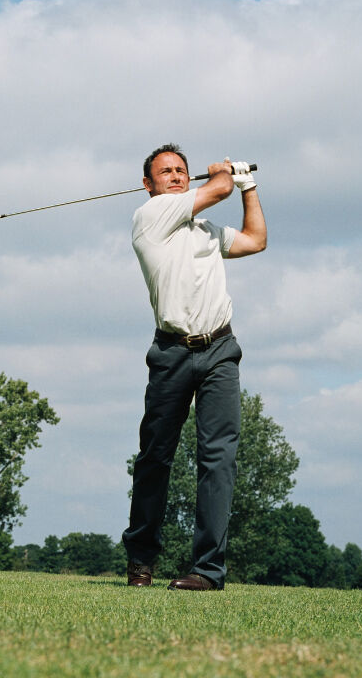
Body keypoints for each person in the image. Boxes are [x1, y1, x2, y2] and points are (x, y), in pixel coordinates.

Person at [123, 144, 266, 590]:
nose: (177, 176)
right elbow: (216, 187)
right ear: (149, 185)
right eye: (166, 172)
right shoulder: (150, 217)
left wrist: (249, 187)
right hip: (171, 352)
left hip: (220, 349)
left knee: (217, 459)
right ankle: (142, 559)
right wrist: (223, 174)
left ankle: (207, 571)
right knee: (154, 458)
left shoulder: (203, 229)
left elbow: (255, 240)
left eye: (182, 171)